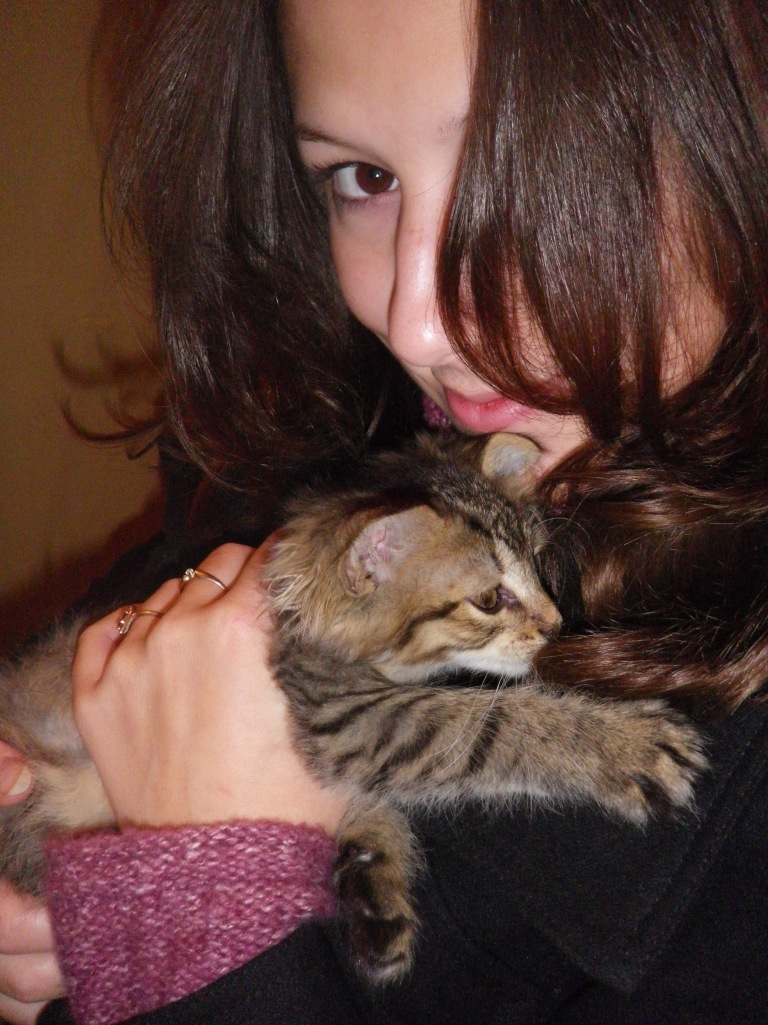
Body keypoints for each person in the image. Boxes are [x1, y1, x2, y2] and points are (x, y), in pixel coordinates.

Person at [2, 0, 768, 1021]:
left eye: (517, 173)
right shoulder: (338, 433)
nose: (413, 321)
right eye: (362, 177)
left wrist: (196, 928)